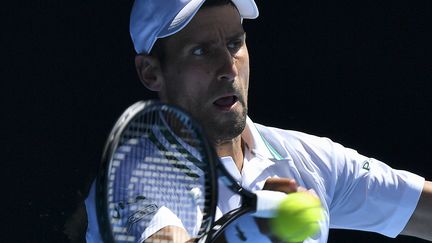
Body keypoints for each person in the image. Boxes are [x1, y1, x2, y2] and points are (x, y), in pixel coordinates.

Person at [81, 0, 432, 242]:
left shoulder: (307, 160)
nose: (229, 68)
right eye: (201, 51)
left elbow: (423, 212)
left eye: (235, 43)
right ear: (150, 73)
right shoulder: (127, 182)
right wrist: (251, 231)